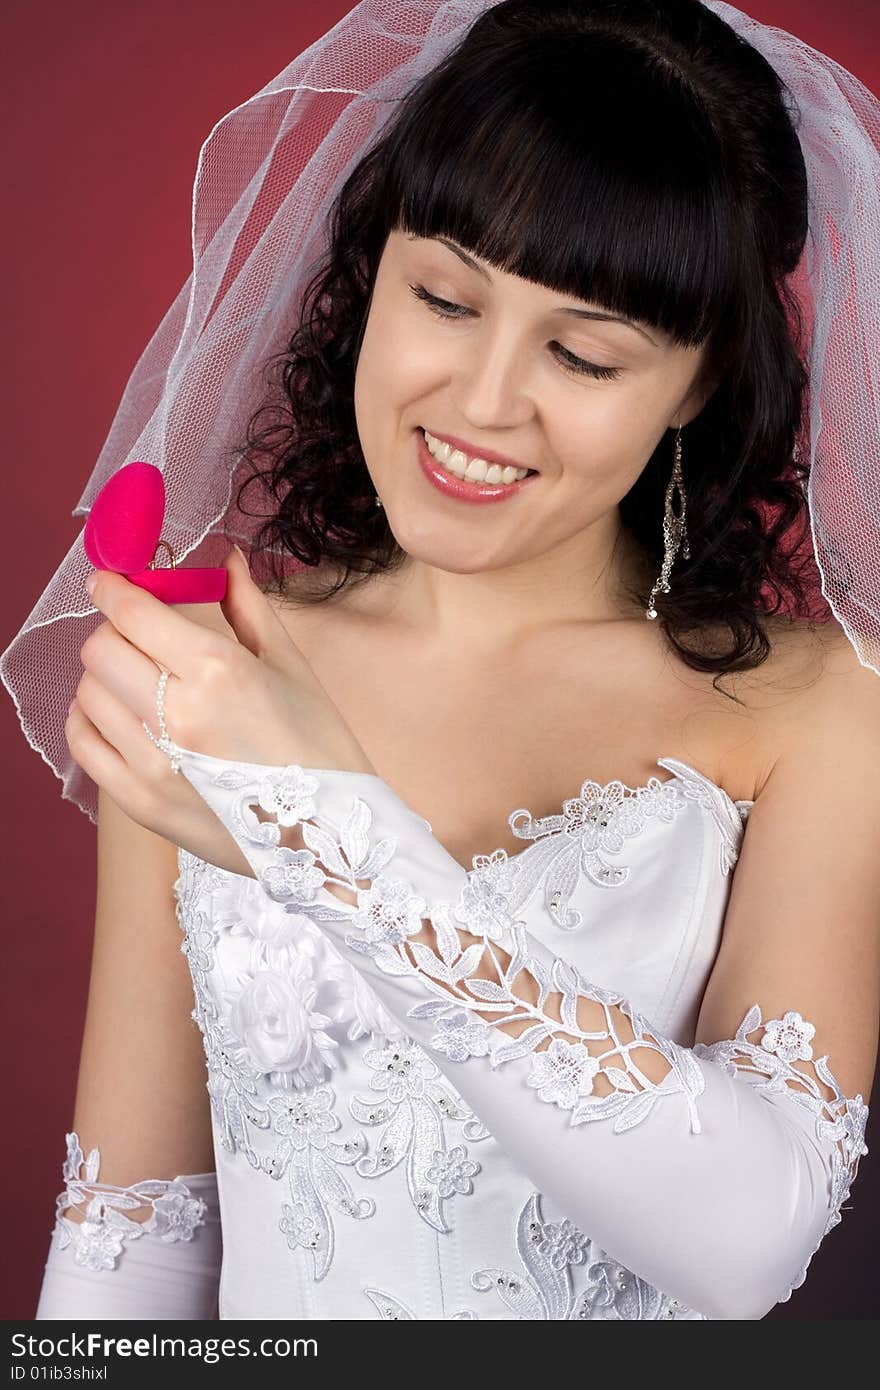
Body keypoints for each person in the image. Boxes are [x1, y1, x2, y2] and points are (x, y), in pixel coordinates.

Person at [13, 0, 878, 1320]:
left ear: (700, 380)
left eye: (582, 352)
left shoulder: (815, 712)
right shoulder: (215, 669)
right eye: (444, 298)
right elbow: (132, 1238)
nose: (481, 401)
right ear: (375, 274)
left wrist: (322, 826)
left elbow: (753, 1240)